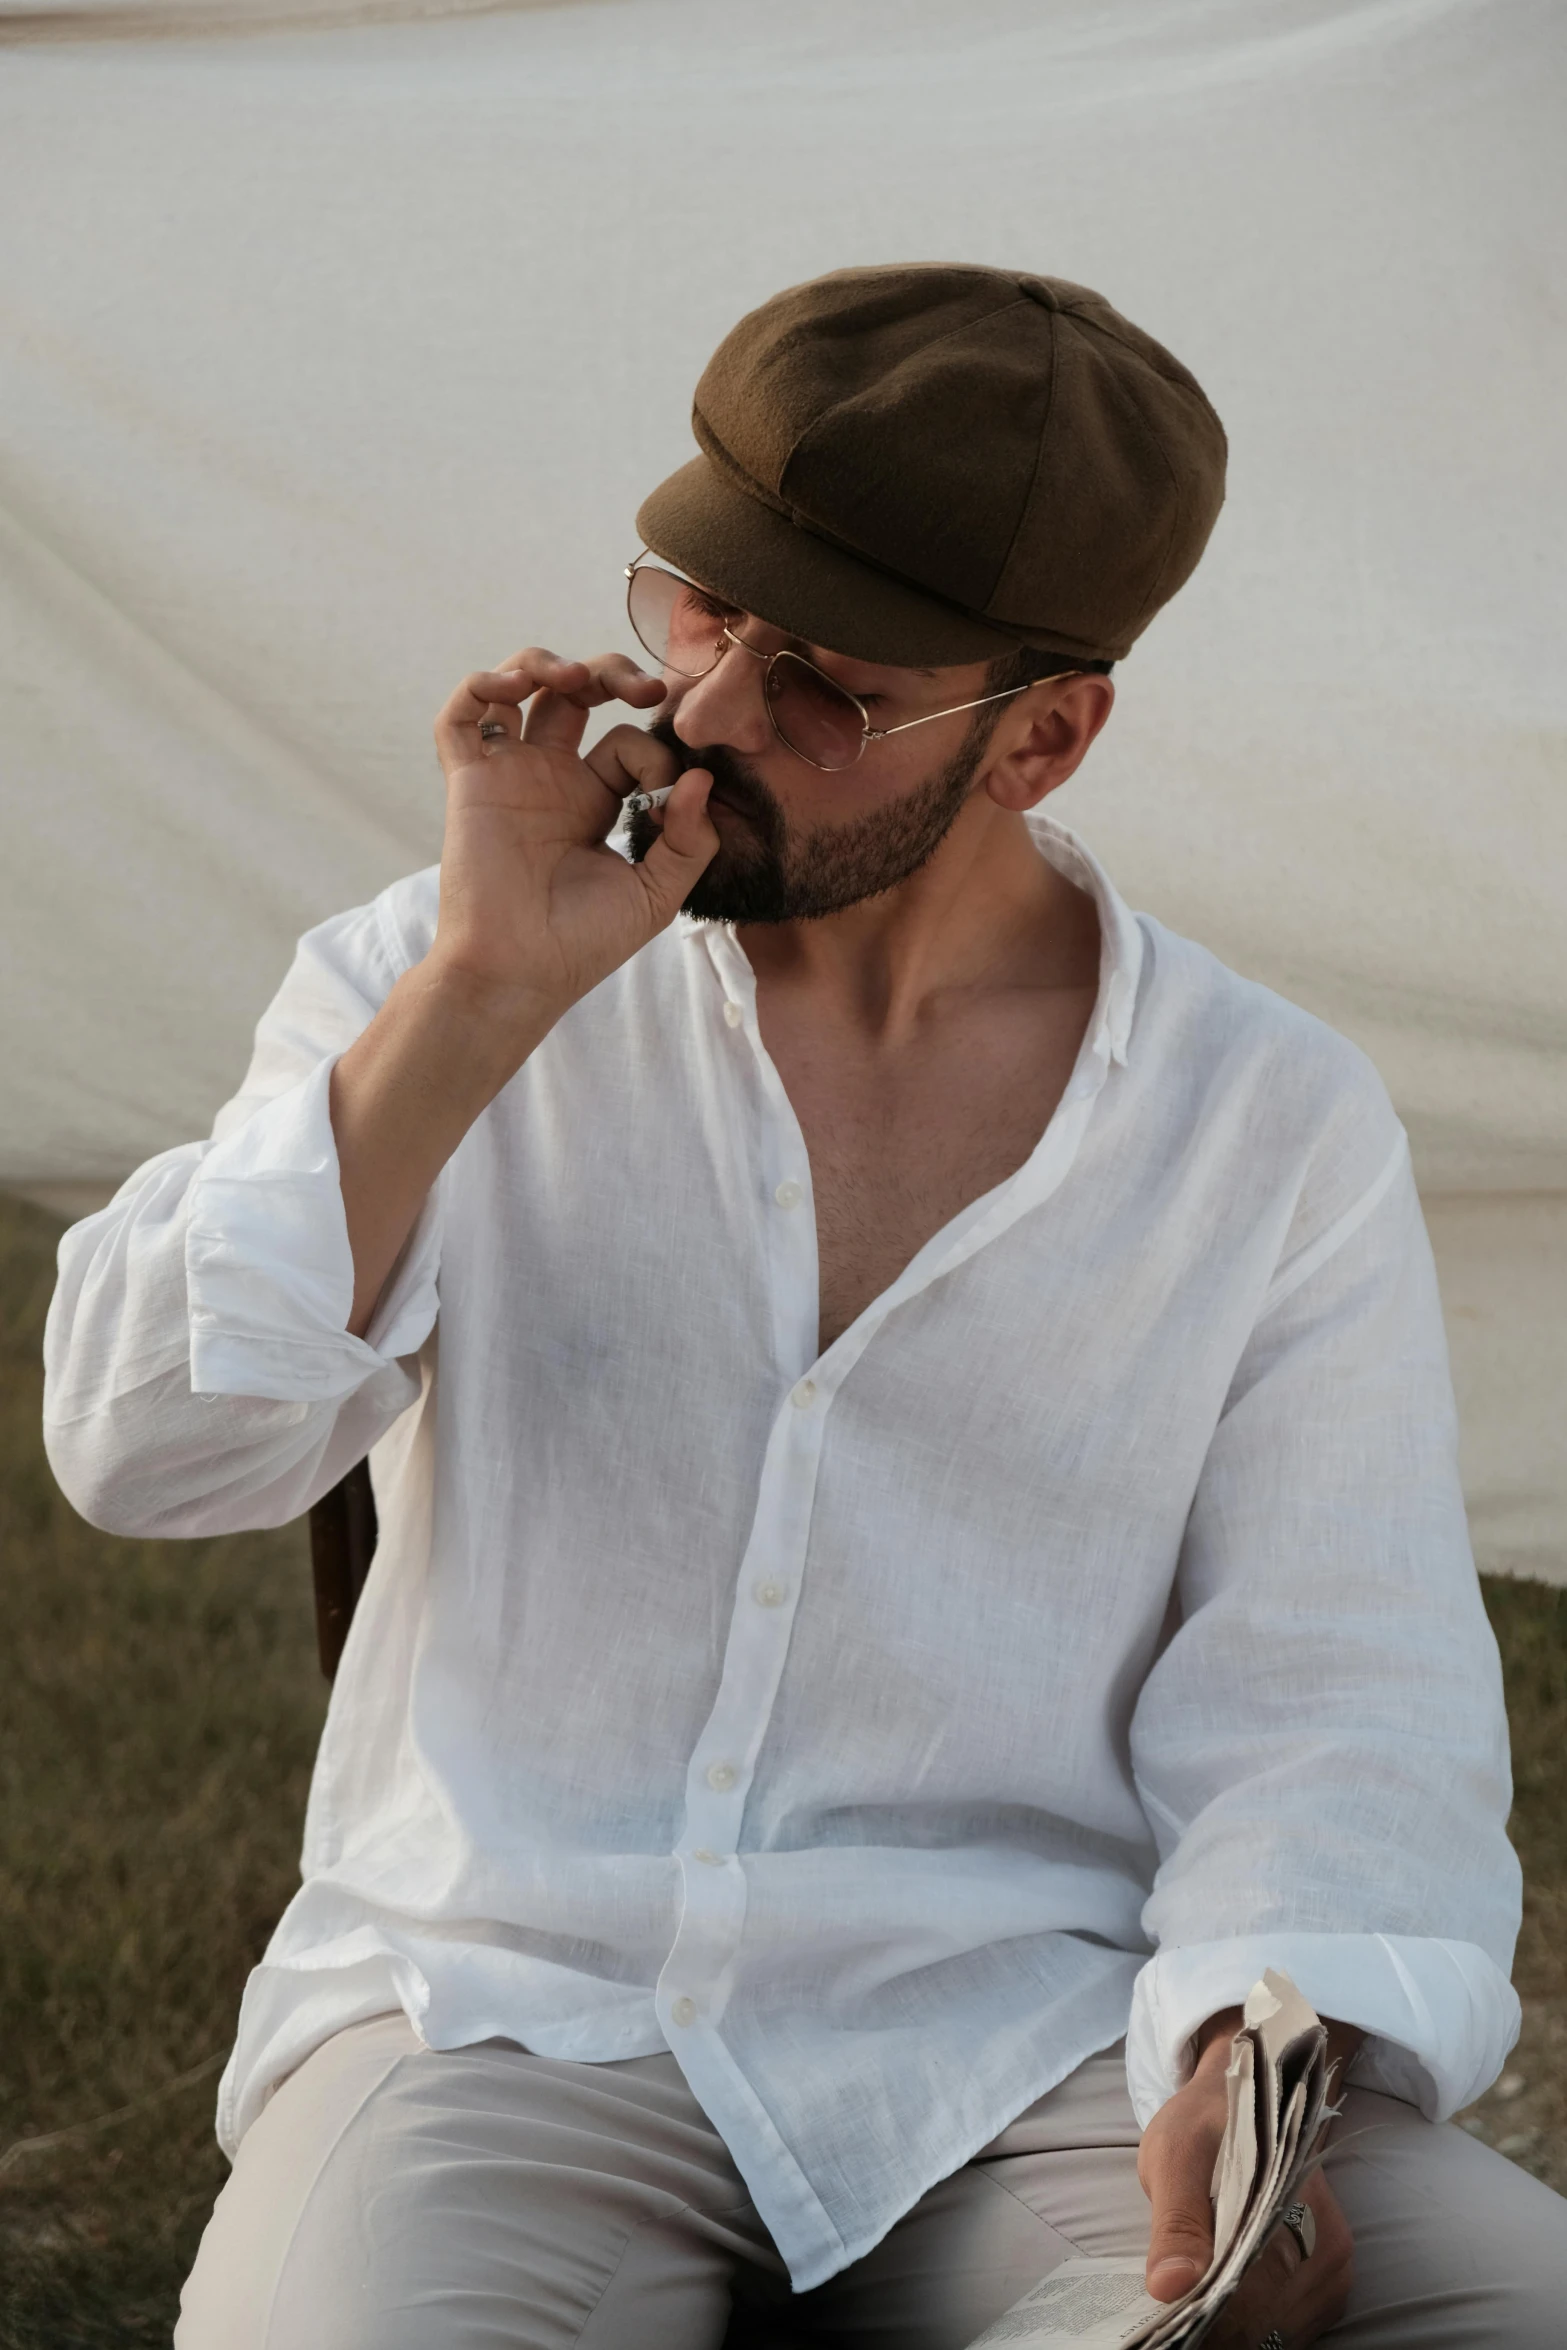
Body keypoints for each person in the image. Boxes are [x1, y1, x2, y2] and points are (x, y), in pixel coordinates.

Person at [43, 265, 1566, 2348]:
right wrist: (479, 1002)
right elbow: (147, 1445)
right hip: (496, 2011)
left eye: (829, 685)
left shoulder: (1265, 1121)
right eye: (695, 608)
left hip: (1032, 2040)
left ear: (1044, 732)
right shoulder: (445, 968)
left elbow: (1342, 1678)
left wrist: (1246, 2037)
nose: (711, 714)